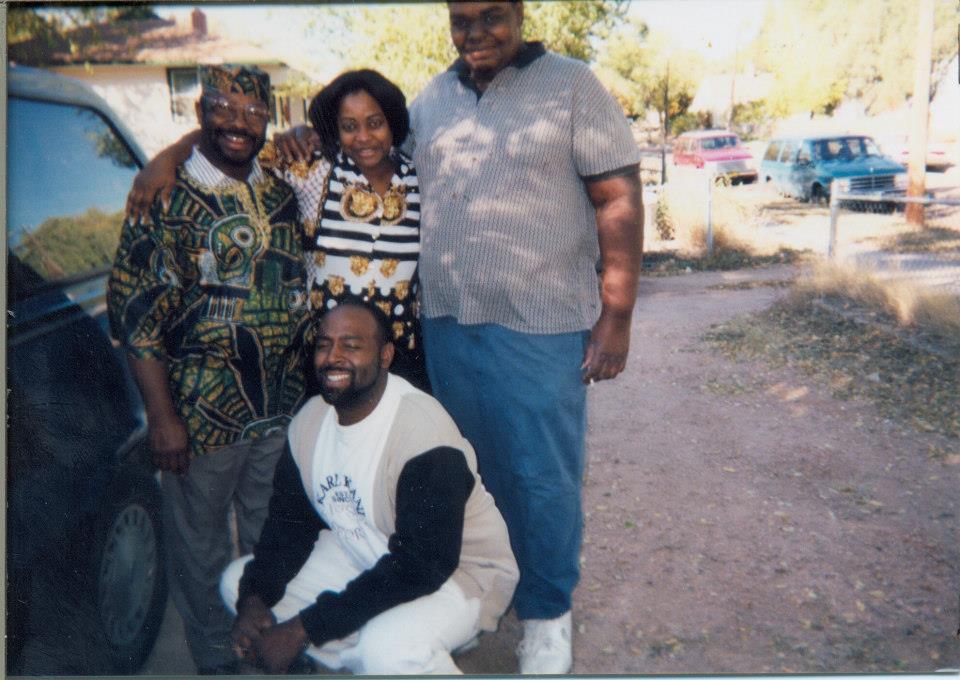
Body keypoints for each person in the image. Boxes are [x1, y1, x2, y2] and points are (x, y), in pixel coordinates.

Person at [407, 2, 644, 673]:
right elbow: (367, 154)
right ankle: (487, 596)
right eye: (461, 17)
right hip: (449, 323)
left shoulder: (572, 85)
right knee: (472, 474)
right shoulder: (432, 99)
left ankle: (546, 613)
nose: (476, 31)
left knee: (542, 477)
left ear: (520, 12)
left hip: (540, 323)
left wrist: (616, 317)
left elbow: (618, 199)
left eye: (492, 15)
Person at [107, 64, 310, 674]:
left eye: (253, 112)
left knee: (270, 536)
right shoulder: (163, 197)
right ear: (200, 112)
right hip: (201, 415)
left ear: (270, 119)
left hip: (280, 407)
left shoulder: (279, 187)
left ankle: (265, 641)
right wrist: (162, 417)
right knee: (199, 548)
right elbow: (136, 316)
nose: (238, 124)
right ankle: (217, 657)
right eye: (223, 107)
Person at [219, 300, 518, 675]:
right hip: (368, 550)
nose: (333, 357)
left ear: (385, 355)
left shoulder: (422, 432)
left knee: (386, 648)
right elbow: (288, 528)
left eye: (352, 345)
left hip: (460, 574)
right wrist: (255, 599)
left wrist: (303, 628)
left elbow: (422, 565)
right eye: (325, 344)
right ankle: (367, 654)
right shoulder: (309, 423)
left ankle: (385, 656)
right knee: (238, 584)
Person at [126, 69, 430, 391]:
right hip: (329, 359)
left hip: (399, 358)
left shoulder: (418, 177)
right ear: (335, 129)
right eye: (349, 126)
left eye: (375, 123)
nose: (364, 137)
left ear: (392, 122)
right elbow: (233, 147)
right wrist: (170, 156)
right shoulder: (315, 169)